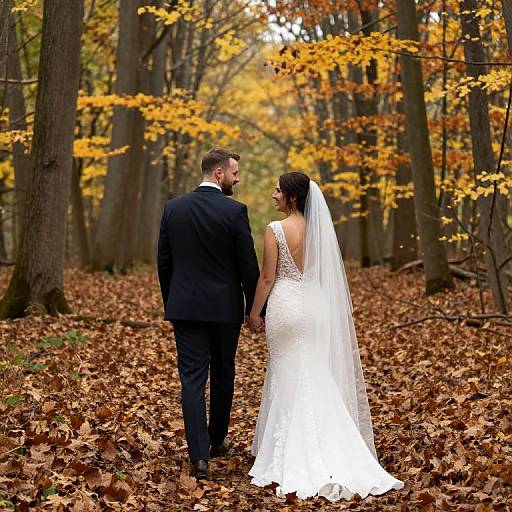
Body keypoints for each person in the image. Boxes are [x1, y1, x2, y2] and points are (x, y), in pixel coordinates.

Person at [247, 172, 404, 501]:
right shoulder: (320, 231)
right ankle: (337, 446)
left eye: (278, 190)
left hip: (287, 306)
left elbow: (266, 277)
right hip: (316, 306)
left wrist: (253, 313)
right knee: (315, 371)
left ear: (291, 197)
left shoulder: (275, 230)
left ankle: (289, 452)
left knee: (287, 372)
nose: (273, 194)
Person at [157, 149, 260, 480]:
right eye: (234, 172)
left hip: (185, 306)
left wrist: (172, 301)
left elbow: (164, 261)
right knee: (223, 372)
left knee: (191, 378)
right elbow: (248, 265)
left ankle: (198, 456)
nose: (237, 178)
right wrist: (253, 308)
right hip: (224, 308)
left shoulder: (174, 208)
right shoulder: (234, 211)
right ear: (218, 173)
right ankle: (216, 439)